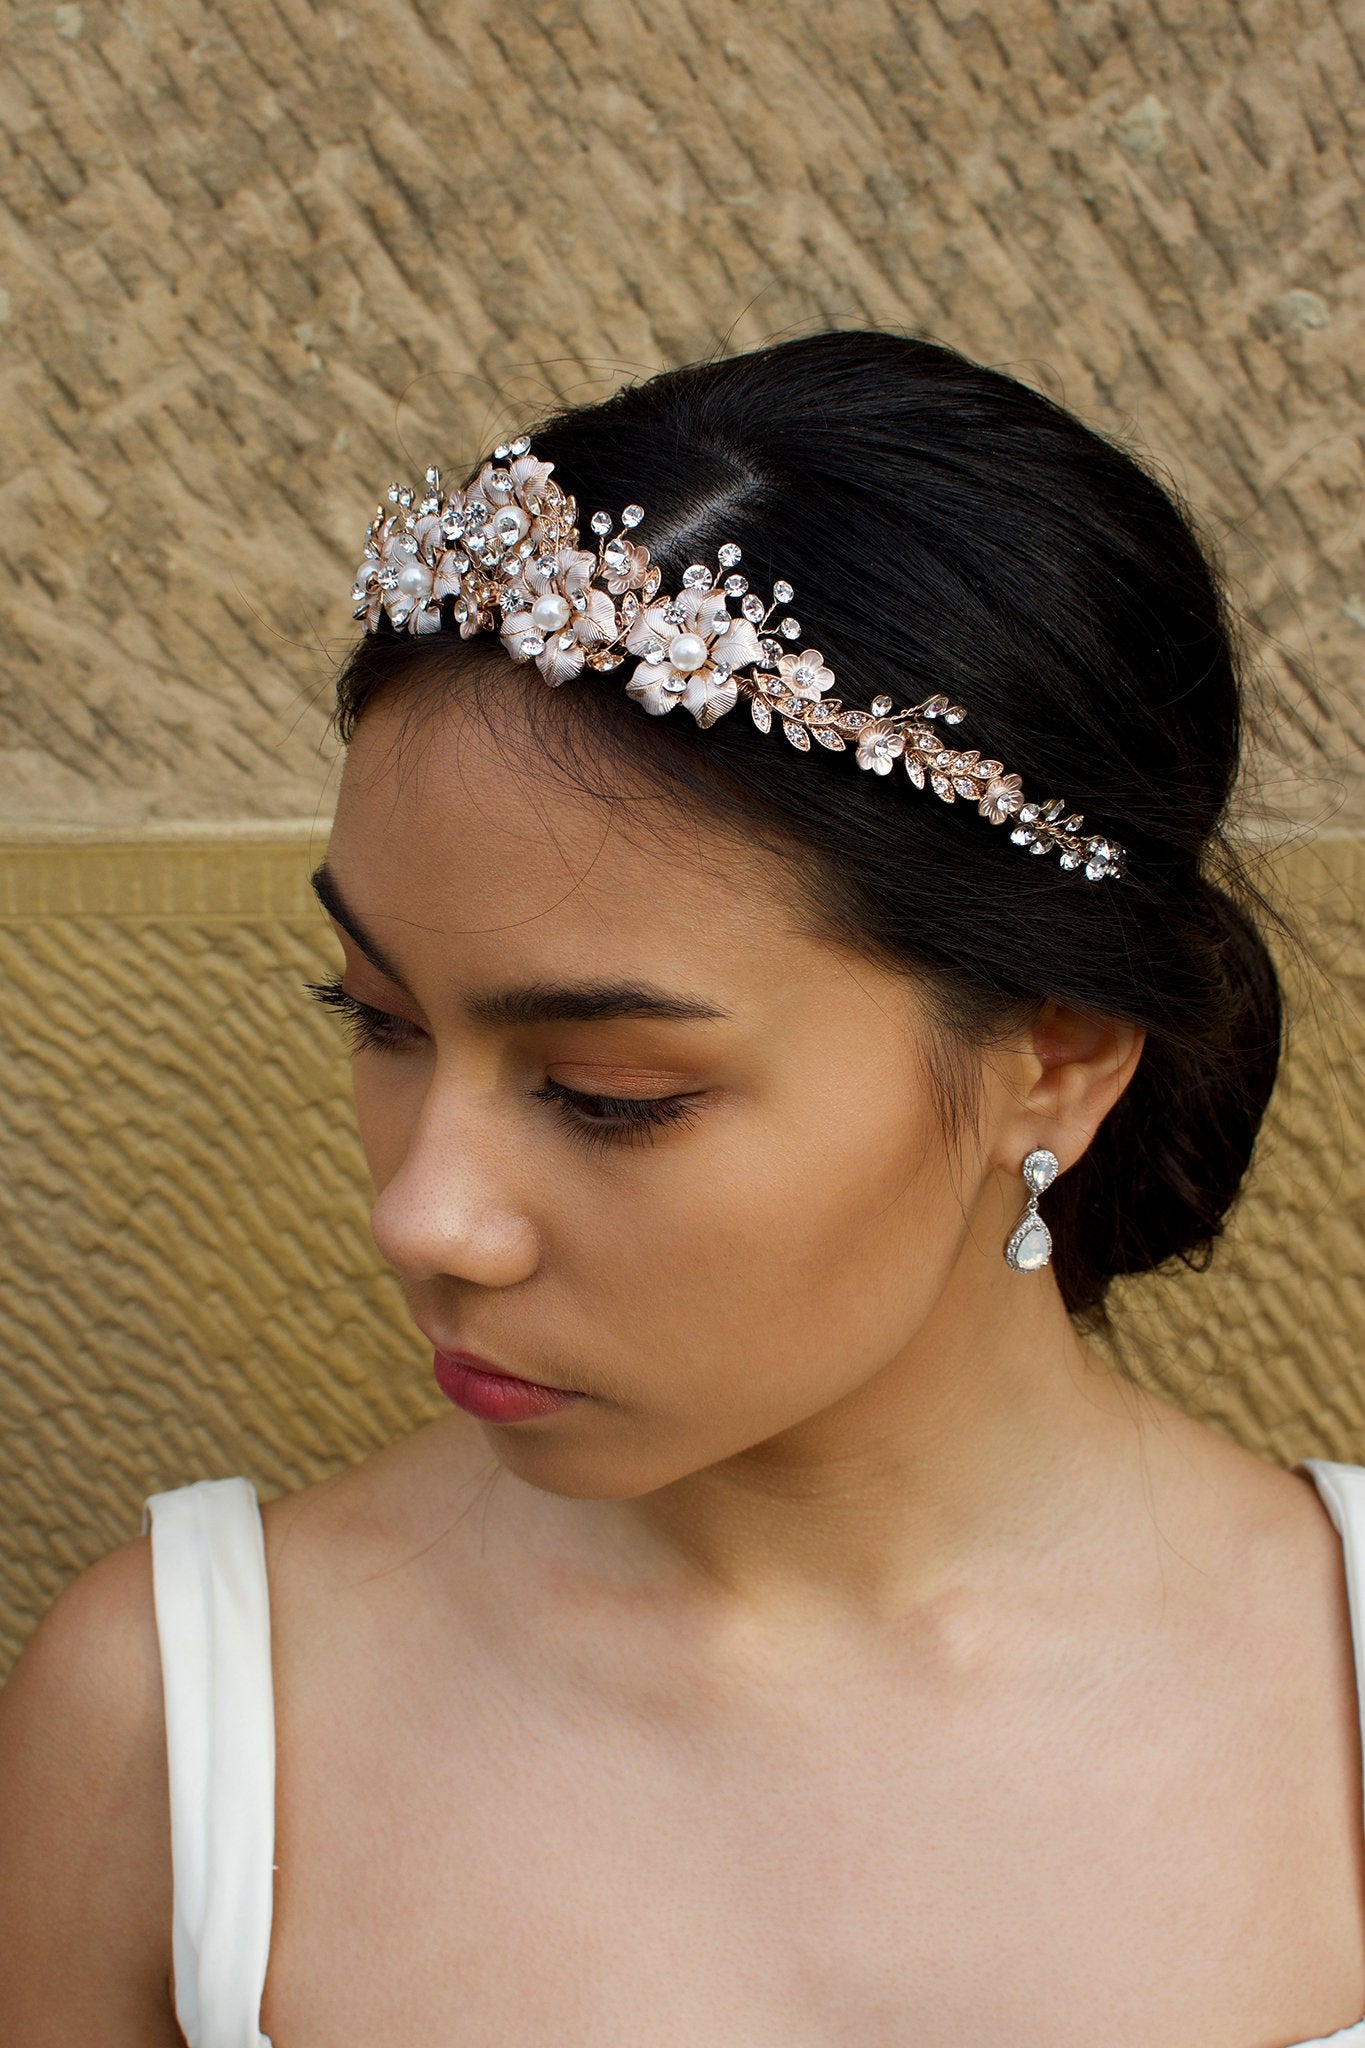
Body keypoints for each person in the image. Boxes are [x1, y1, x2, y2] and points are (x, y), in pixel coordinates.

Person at [1, 328, 1362, 2046]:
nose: (424, 1219)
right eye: (378, 1020)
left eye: (607, 1093)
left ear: (1060, 1058)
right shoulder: (173, 1733)